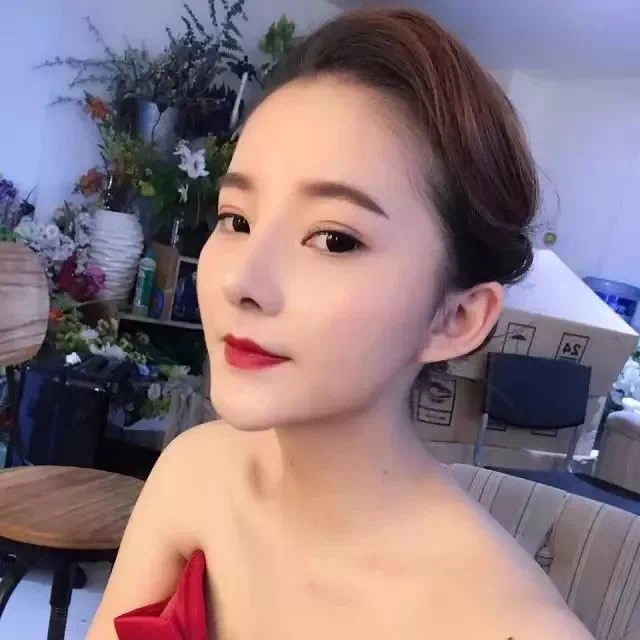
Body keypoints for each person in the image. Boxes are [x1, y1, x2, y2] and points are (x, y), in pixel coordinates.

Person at [88, 7, 593, 640]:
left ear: (456, 318)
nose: (242, 282)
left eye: (334, 240)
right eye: (237, 220)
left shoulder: (505, 625)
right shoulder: (194, 473)